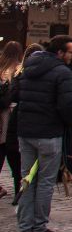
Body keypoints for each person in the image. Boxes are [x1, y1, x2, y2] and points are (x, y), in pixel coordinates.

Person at [14, 35, 72, 232]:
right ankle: (39, 226)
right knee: (45, 182)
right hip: (49, 132)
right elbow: (67, 105)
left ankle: (25, 227)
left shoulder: (28, 67)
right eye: (71, 52)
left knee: (27, 178)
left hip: (26, 131)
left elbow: (17, 95)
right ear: (60, 52)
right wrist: (70, 126)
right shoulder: (62, 72)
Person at [1, 40, 25, 201]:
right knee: (14, 154)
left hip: (2, 115)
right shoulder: (19, 70)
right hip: (11, 116)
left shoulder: (1, 69)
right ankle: (19, 189)